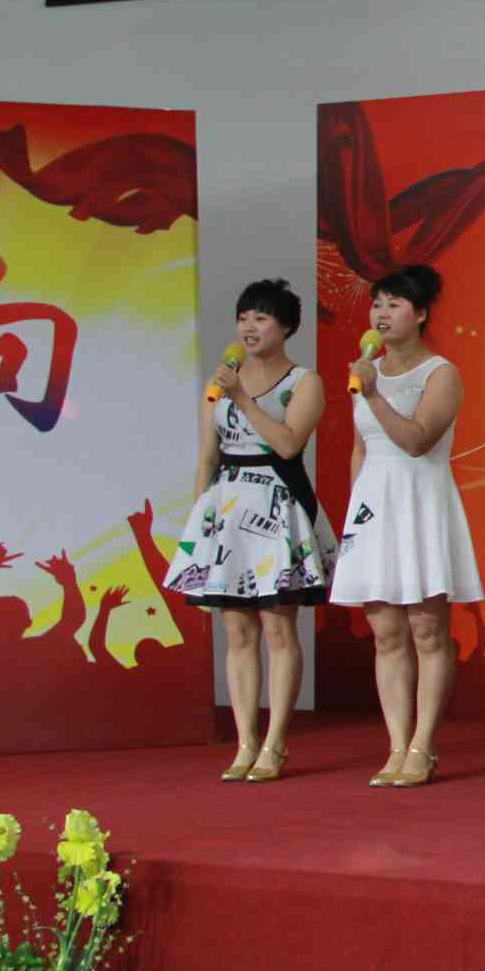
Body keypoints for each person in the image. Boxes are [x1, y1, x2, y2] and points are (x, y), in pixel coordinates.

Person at [163, 277, 332, 782]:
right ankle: (245, 743)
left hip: (278, 504)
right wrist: (201, 522)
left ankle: (276, 744)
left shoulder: (304, 382)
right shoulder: (220, 384)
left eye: (261, 317)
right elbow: (208, 455)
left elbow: (288, 444)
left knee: (278, 626)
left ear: (286, 327)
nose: (249, 327)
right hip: (228, 510)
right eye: (243, 318)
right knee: (236, 629)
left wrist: (244, 399)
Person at [330, 264, 484, 788]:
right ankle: (396, 745)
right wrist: (357, 514)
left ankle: (423, 745)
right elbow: (360, 449)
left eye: (394, 305)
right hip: (375, 506)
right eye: (377, 304)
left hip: (421, 499)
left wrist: (374, 394)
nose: (381, 313)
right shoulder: (365, 372)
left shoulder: (440, 373)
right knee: (386, 633)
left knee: (427, 629)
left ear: (419, 314)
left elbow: (417, 440)